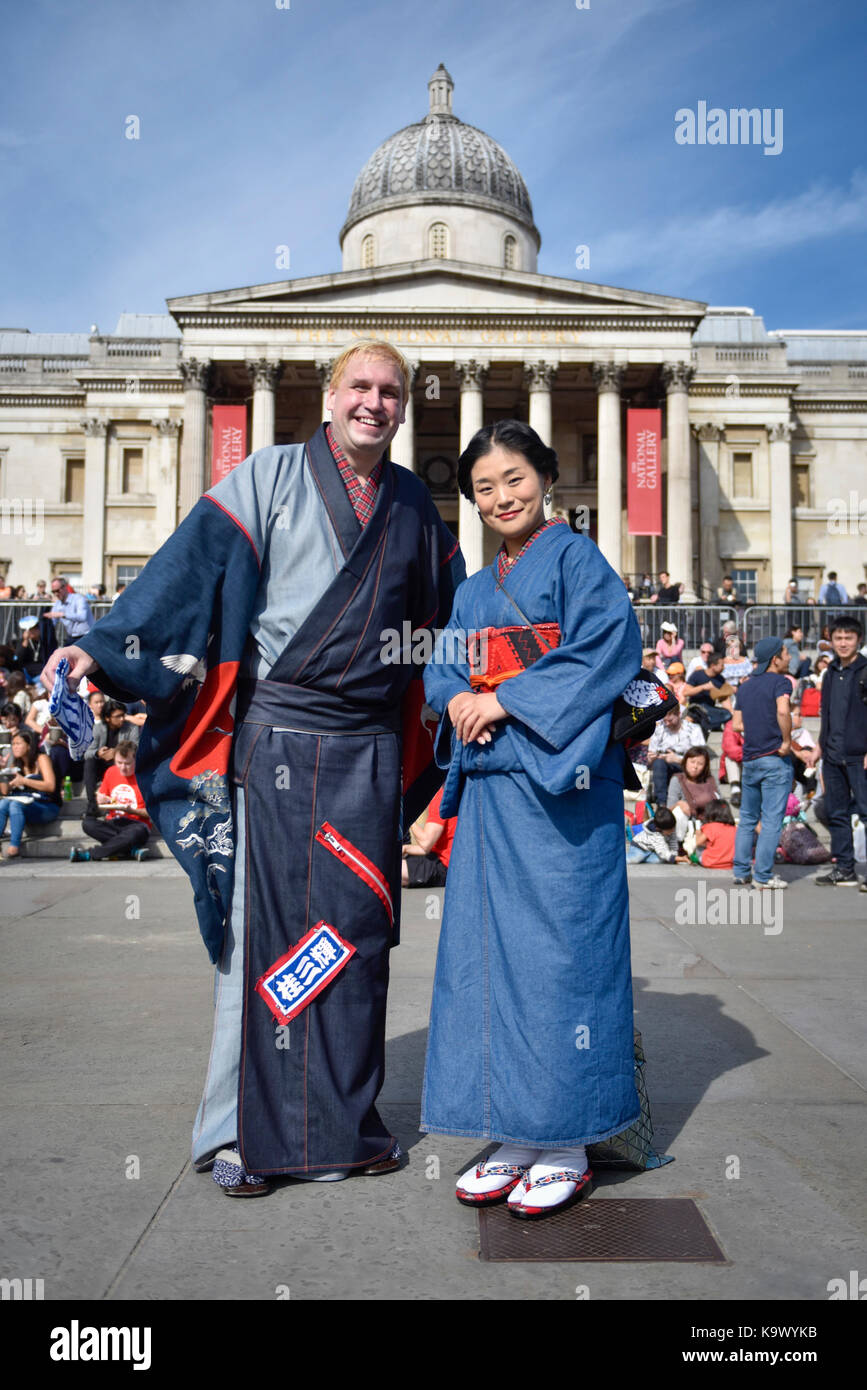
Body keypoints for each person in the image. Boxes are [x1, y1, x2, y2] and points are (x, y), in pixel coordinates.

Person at [41, 340, 465, 1198]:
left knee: (354, 943)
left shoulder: (417, 505)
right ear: (328, 392)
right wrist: (98, 648)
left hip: (369, 753)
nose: (373, 403)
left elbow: (447, 628)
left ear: (405, 404)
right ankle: (238, 1133)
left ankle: (339, 1126)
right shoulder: (267, 475)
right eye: (359, 386)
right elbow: (183, 577)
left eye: (390, 391)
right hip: (277, 746)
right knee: (258, 938)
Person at [420, 418, 643, 1220]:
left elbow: (607, 651)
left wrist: (502, 698)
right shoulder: (475, 590)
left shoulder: (580, 561)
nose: (500, 497)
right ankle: (512, 1130)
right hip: (488, 793)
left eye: (513, 479)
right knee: (486, 959)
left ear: (544, 479)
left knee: (562, 956)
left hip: (560, 791)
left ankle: (567, 1139)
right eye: (483, 488)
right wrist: (453, 696)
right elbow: (442, 666)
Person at [731, 636, 793, 889]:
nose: (790, 657)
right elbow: (783, 710)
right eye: (786, 653)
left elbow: (736, 724)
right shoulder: (781, 682)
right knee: (770, 820)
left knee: (747, 818)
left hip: (751, 759)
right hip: (773, 758)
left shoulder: (745, 686)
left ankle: (740, 870)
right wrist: (786, 741)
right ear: (775, 659)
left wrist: (758, 725)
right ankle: (763, 876)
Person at [812, 616, 867, 886]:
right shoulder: (831, 671)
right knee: (837, 813)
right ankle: (844, 868)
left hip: (860, 756)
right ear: (830, 641)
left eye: (849, 638)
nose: (843, 643)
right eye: (838, 638)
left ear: (859, 640)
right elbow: (828, 713)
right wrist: (820, 745)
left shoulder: (866, 670)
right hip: (833, 755)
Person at [71, 740, 151, 862]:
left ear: (136, 760)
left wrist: (130, 810)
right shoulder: (111, 772)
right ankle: (129, 850)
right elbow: (102, 799)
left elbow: (151, 813)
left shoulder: (145, 777)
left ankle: (90, 854)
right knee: (88, 824)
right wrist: (101, 799)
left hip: (137, 824)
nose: (123, 767)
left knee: (136, 833)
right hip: (113, 821)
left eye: (128, 763)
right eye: (119, 763)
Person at [0, 727, 60, 860]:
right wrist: (2, 770)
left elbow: (50, 786)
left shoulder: (42, 759)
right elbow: (4, 791)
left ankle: (14, 847)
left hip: (47, 806)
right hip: (26, 804)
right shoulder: (16, 763)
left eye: (18, 744)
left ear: (29, 746)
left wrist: (24, 781)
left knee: (15, 805)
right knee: (3, 803)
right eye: (13, 744)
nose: (14, 747)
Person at [83, 700, 140, 814]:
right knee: (90, 763)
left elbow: (136, 748)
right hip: (102, 765)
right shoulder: (98, 728)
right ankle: (92, 805)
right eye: (118, 716)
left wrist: (116, 752)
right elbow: (87, 753)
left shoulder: (131, 728)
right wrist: (98, 753)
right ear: (108, 718)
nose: (122, 719)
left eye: (123, 715)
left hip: (122, 764)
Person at [646, 704, 705, 806]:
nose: (667, 724)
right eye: (665, 721)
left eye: (670, 720)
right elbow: (650, 758)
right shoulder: (660, 730)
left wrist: (676, 759)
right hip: (663, 767)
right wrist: (652, 758)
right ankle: (662, 804)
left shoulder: (693, 729)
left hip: (687, 766)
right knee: (659, 763)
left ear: (678, 714)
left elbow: (701, 758)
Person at [400, 784, 456, 888]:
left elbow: (426, 844)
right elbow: (427, 848)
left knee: (392, 869)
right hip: (438, 857)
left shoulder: (441, 797)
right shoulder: (452, 793)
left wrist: (408, 816)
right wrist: (406, 848)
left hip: (445, 867)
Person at [666, 745, 719, 844]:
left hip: (708, 822)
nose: (695, 766)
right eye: (692, 762)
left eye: (700, 764)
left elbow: (720, 803)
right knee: (678, 812)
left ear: (705, 766)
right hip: (687, 823)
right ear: (685, 762)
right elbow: (669, 809)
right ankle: (678, 845)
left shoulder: (709, 780)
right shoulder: (678, 780)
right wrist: (679, 804)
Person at [681, 653, 734, 730]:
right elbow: (686, 692)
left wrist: (731, 712)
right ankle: (709, 723)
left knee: (727, 714)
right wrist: (703, 687)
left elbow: (724, 698)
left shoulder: (720, 679)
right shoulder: (697, 675)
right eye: (721, 665)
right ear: (713, 665)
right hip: (697, 707)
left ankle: (707, 722)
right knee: (696, 713)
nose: (723, 668)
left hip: (710, 708)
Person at [47, 576, 94, 641]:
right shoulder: (58, 604)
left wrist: (63, 614)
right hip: (71, 637)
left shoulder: (79, 598)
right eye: (53, 592)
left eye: (57, 591)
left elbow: (82, 617)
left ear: (65, 587)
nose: (56, 594)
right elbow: (53, 621)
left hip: (86, 636)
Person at [693, 799, 736, 870]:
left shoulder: (711, 827)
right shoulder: (734, 829)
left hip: (710, 862)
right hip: (729, 864)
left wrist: (698, 833)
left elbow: (698, 842)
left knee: (698, 848)